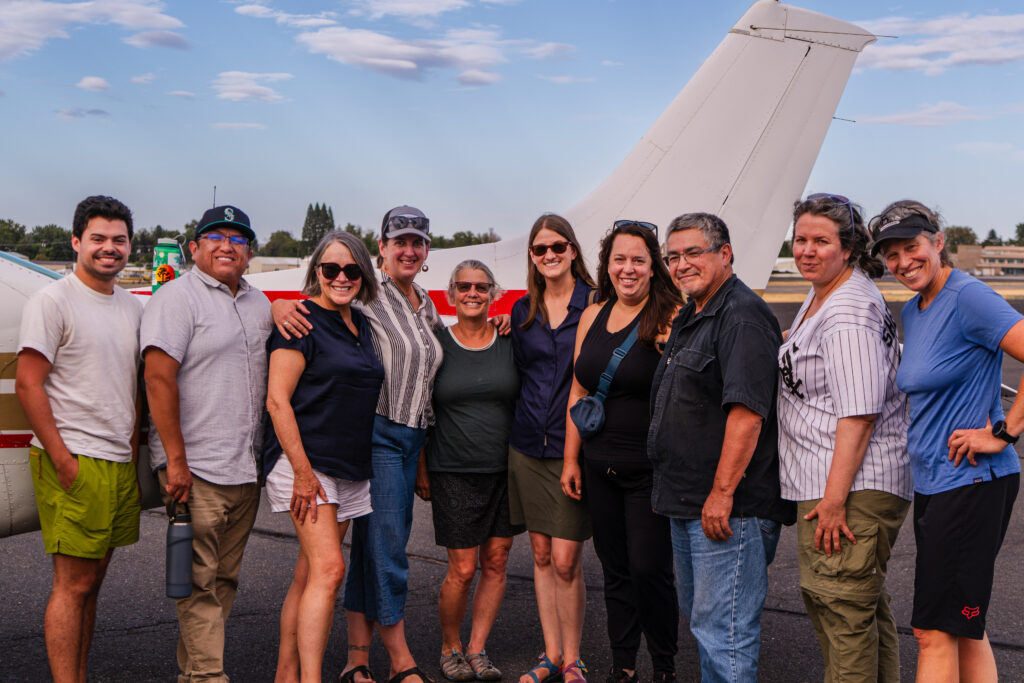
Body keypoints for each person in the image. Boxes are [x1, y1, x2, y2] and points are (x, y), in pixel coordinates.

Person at [273, 205, 442, 683]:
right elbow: (312, 311)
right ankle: (396, 660)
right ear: (383, 248)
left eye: (417, 242)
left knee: (329, 565)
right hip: (367, 441)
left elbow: (432, 368)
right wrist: (277, 305)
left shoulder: (422, 305)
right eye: (399, 241)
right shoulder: (365, 299)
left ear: (427, 251)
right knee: (359, 560)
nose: (408, 250)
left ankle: (339, 663)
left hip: (396, 444)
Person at [871, 200, 1023, 683]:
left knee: (932, 632)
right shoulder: (915, 310)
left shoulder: (968, 297)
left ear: (937, 243)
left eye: (911, 248)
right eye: (891, 255)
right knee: (961, 629)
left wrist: (1003, 432)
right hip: (937, 482)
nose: (902, 262)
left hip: (973, 481)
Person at [648, 212, 794, 683]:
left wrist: (723, 492)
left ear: (725, 254)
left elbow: (748, 414)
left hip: (728, 507)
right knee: (706, 620)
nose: (681, 264)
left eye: (694, 252)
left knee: (724, 631)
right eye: (673, 256)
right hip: (689, 501)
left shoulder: (741, 315)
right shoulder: (696, 310)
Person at [777, 194, 912, 682]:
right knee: (859, 609)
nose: (807, 250)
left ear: (850, 248)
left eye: (821, 241)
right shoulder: (825, 293)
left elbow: (859, 413)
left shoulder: (847, 310)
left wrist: (834, 501)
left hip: (848, 486)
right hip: (837, 479)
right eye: (801, 239)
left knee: (842, 613)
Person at [15, 195, 143, 683]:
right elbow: (29, 383)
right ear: (76, 242)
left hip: (114, 461)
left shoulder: (131, 306)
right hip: (73, 456)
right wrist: (64, 460)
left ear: (130, 245)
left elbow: (132, 385)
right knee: (73, 584)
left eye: (119, 240)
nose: (109, 249)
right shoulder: (53, 300)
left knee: (93, 584)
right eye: (98, 239)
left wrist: (129, 456)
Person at [143, 205, 272, 683]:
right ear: (193, 248)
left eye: (237, 239)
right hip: (193, 467)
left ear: (249, 253)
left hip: (244, 467)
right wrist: (174, 461)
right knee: (197, 584)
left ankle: (194, 674)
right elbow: (158, 378)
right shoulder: (176, 299)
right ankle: (209, 677)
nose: (227, 245)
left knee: (222, 581)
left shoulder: (258, 304)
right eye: (215, 237)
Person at [563, 221, 681, 683]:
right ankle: (624, 664)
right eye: (619, 259)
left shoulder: (669, 315)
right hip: (597, 465)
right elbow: (578, 388)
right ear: (606, 264)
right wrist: (572, 458)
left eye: (637, 260)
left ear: (653, 267)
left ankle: (665, 666)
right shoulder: (594, 314)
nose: (627, 268)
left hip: (648, 469)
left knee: (649, 569)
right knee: (615, 571)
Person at [264, 231, 384, 683]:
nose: (341, 277)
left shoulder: (362, 324)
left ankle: (286, 672)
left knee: (310, 571)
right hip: (305, 463)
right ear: (316, 270)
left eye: (351, 269)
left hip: (347, 465)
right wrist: (302, 472)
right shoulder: (300, 320)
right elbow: (278, 400)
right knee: (331, 569)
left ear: (362, 275)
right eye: (330, 268)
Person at [414, 260, 524, 682]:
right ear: (451, 294)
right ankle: (450, 647)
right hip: (452, 469)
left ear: (494, 293)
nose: (473, 293)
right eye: (464, 287)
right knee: (461, 569)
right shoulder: (437, 345)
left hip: (504, 469)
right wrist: (422, 467)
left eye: (481, 287)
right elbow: (421, 409)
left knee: (496, 561)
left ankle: (478, 649)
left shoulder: (509, 340)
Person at [508, 214, 595, 683]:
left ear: (573, 250)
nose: (549, 256)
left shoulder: (597, 306)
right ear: (532, 257)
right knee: (540, 555)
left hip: (572, 450)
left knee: (566, 559)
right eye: (540, 250)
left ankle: (574, 658)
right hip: (526, 445)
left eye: (557, 247)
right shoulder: (524, 313)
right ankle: (551, 654)